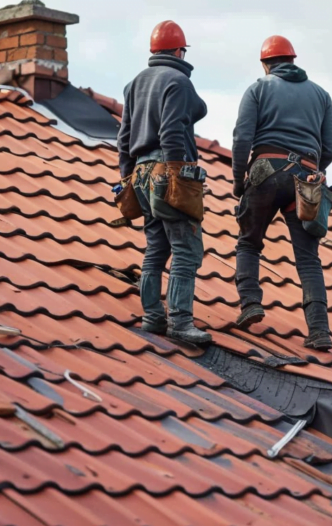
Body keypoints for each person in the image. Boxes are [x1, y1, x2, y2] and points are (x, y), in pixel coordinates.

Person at [231, 35, 332, 351]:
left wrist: (240, 181)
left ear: (267, 64)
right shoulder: (321, 95)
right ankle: (319, 331)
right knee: (308, 259)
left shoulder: (258, 89)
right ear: (293, 60)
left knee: (249, 241)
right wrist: (313, 167)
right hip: (304, 179)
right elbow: (331, 144)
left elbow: (241, 139)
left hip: (266, 172)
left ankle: (251, 303)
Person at [117, 20, 211, 344]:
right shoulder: (178, 82)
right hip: (166, 170)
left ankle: (152, 317)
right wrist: (176, 176)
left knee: (156, 246)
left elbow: (124, 137)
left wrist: (126, 178)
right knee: (186, 247)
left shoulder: (134, 84)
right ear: (179, 50)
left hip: (141, 173)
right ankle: (180, 322)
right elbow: (171, 132)